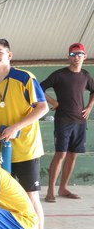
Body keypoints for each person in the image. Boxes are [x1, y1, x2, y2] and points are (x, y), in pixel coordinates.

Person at [0, 39, 49, 229]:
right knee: (2, 199)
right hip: (2, 151)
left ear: (9, 55)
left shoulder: (24, 77)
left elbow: (43, 107)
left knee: (31, 197)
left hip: (26, 149)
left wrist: (16, 127)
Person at [41, 42, 94, 203]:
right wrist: (53, 102)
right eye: (73, 54)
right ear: (68, 57)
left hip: (80, 122)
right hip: (63, 121)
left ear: (85, 56)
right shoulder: (59, 75)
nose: (76, 57)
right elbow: (38, 87)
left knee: (73, 155)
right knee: (61, 154)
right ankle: (51, 190)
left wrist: (89, 107)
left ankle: (63, 188)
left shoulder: (86, 76)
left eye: (79, 54)